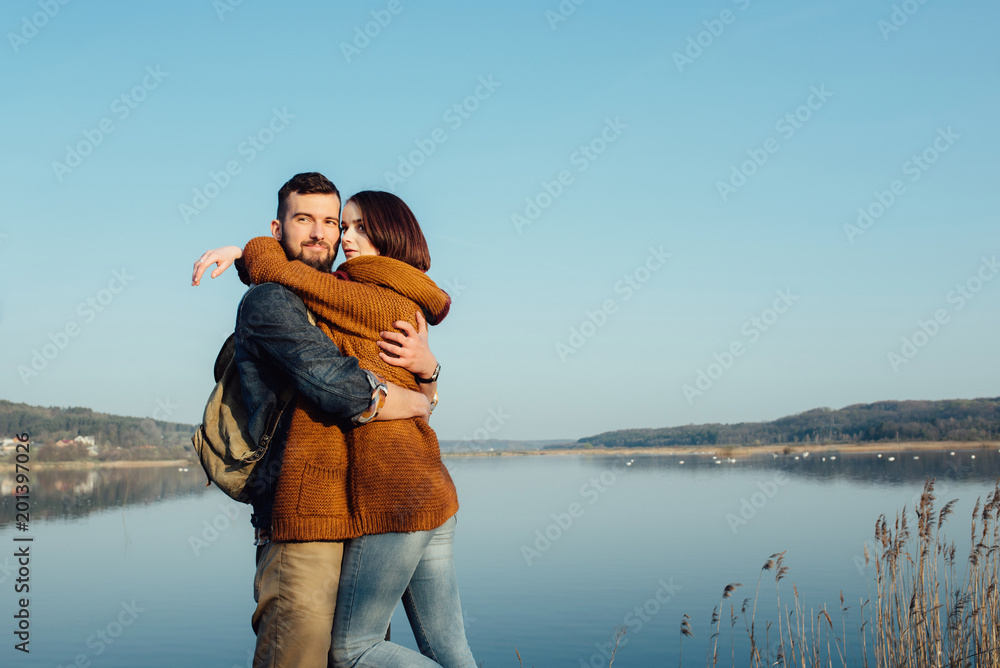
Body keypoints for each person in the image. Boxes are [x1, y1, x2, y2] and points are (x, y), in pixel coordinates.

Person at [205, 189, 476, 667]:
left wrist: (248, 253)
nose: (340, 236)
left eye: (350, 226)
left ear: (389, 236)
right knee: (450, 650)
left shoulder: (357, 294)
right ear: (280, 226)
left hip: (389, 499)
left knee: (355, 650)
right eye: (339, 226)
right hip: (427, 493)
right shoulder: (401, 296)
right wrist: (428, 383)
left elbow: (340, 387)